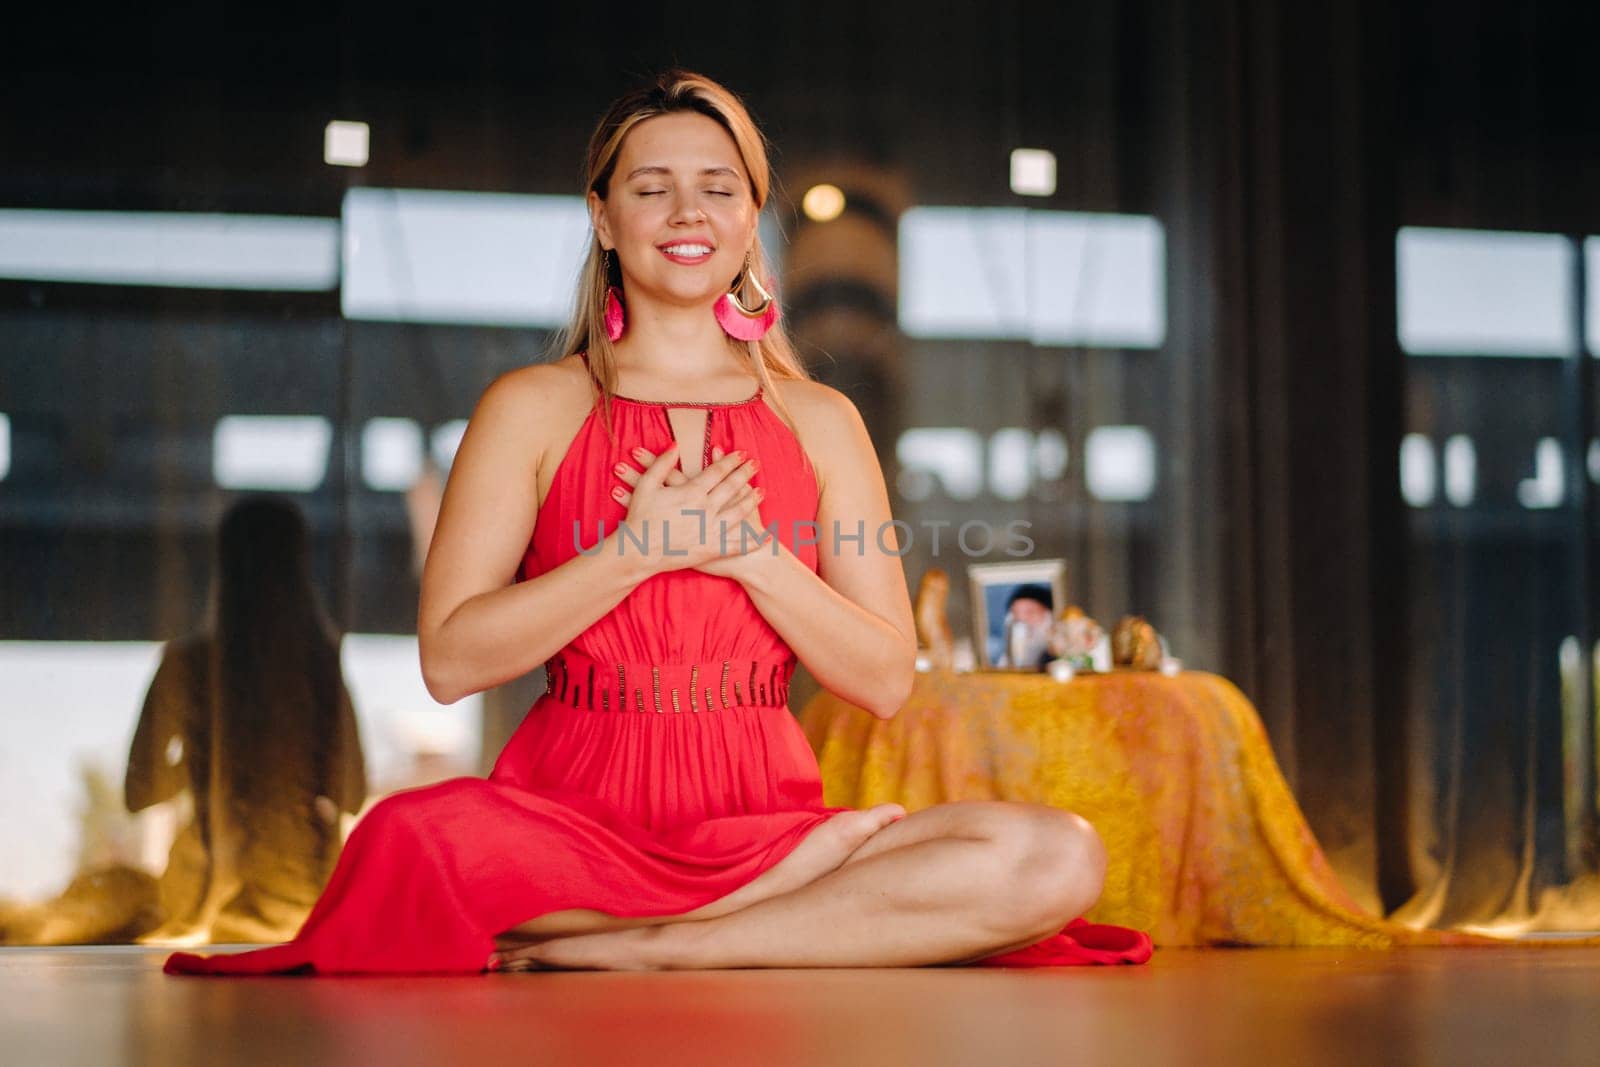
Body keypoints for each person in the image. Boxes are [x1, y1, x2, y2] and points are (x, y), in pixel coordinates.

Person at [166, 70, 1149, 975]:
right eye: (651, 187)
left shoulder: (821, 422)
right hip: (565, 826)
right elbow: (452, 658)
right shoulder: (532, 406)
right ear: (602, 216)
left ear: (751, 215)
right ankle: (764, 924)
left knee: (1056, 854)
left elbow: (885, 676)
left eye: (718, 186)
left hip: (766, 825)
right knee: (406, 838)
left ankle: (667, 945)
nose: (688, 212)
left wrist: (752, 555)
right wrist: (637, 551)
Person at [129, 495, 366, 946]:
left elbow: (138, 791)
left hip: (204, 894)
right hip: (303, 889)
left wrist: (201, 764)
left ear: (224, 567)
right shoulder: (318, 663)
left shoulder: (188, 664)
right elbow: (351, 790)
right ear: (300, 570)